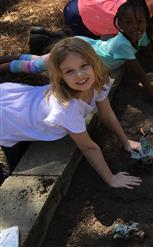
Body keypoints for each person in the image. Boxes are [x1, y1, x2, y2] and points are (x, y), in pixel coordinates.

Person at [0, 37, 142, 188]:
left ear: (94, 63)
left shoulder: (99, 83)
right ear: (60, 76)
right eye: (69, 71)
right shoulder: (67, 109)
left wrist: (125, 141)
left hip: (20, 105)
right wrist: (111, 179)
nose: (80, 75)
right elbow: (88, 147)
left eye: (84, 66)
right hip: (8, 119)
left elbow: (107, 114)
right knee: (16, 162)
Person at [5, 0, 153, 104]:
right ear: (121, 24)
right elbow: (141, 74)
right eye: (129, 22)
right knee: (35, 68)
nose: (136, 27)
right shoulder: (123, 44)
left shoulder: (142, 34)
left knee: (41, 61)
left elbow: (151, 52)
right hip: (79, 53)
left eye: (140, 21)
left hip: (88, 46)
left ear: (146, 21)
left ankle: (16, 57)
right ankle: (6, 66)